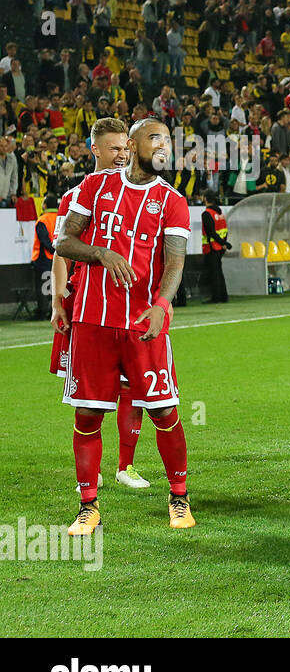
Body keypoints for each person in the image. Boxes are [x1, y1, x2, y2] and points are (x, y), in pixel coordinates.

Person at [56, 117, 195, 534]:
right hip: (92, 321)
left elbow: (175, 261)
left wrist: (162, 304)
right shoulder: (94, 188)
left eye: (167, 140)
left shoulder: (171, 200)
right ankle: (88, 506)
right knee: (87, 415)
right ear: (132, 147)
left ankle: (179, 497)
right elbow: (63, 242)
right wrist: (100, 253)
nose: (163, 146)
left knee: (164, 410)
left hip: (142, 325)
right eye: (155, 139)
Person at [51, 116, 151, 490]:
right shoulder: (79, 194)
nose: (123, 154)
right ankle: (88, 476)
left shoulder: (141, 192)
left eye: (126, 147)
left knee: (131, 387)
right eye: (115, 148)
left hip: (130, 305)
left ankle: (126, 466)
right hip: (89, 304)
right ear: (95, 149)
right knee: (90, 393)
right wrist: (58, 299)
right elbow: (61, 252)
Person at [200, 190, 229, 303]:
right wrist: (224, 243)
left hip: (211, 247)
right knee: (219, 272)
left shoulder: (207, 214)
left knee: (214, 274)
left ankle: (217, 297)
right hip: (220, 248)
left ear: (206, 198)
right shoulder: (220, 213)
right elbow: (224, 230)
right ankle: (223, 296)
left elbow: (210, 232)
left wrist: (221, 243)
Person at [32, 195, 58, 319]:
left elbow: (44, 241)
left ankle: (43, 311)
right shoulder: (61, 218)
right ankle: (57, 308)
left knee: (43, 286)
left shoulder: (42, 220)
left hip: (44, 258)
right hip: (60, 258)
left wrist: (52, 250)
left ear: (45, 205)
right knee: (58, 285)